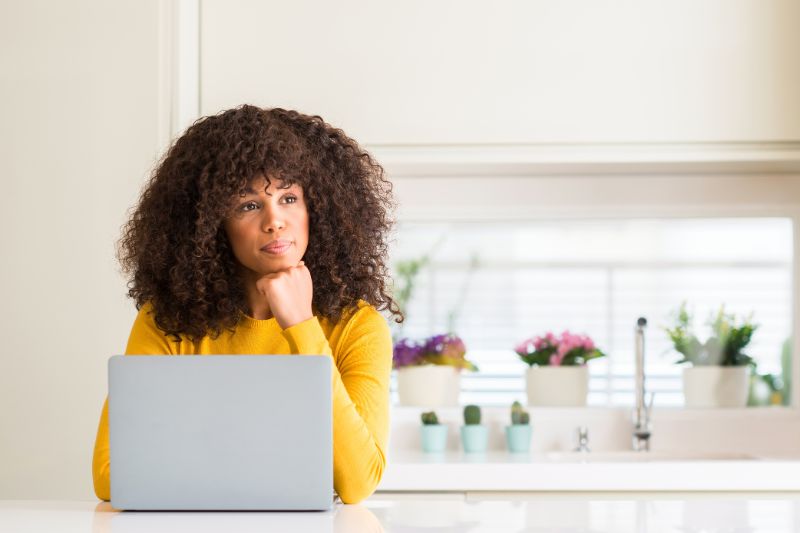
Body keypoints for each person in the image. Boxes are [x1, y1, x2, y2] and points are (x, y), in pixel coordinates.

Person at [91, 105, 402, 505]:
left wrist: (302, 326)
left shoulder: (357, 326)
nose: (275, 221)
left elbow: (358, 481)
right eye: (248, 205)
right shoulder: (168, 321)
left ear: (317, 210)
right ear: (211, 226)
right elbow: (111, 475)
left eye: (289, 197)